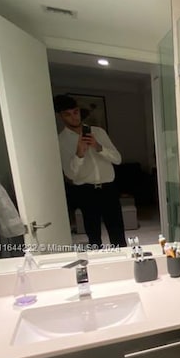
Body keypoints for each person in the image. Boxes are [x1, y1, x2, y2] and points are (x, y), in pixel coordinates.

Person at [54, 94, 126, 248]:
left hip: (109, 189)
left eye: (75, 112)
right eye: (68, 114)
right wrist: (79, 153)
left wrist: (98, 147)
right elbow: (71, 175)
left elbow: (118, 159)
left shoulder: (98, 132)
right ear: (60, 116)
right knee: (93, 236)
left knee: (118, 233)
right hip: (85, 192)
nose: (74, 117)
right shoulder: (61, 141)